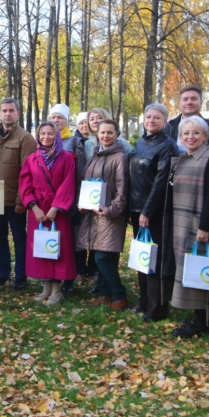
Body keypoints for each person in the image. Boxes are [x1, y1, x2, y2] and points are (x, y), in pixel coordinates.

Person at [164, 116, 209, 338]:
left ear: (205, 136)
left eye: (196, 133)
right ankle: (199, 317)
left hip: (200, 223)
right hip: (182, 223)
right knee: (188, 269)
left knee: (201, 270)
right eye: (186, 133)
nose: (190, 137)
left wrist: (204, 226)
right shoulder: (183, 158)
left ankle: (204, 319)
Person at [128, 103, 179, 322]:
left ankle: (157, 308)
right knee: (142, 258)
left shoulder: (167, 146)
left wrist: (147, 212)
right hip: (136, 208)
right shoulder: (141, 142)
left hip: (154, 213)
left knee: (155, 261)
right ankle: (144, 302)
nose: (151, 120)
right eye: (148, 117)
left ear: (165, 121)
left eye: (156, 117)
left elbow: (161, 183)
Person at [0, 97, 36, 290]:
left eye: (11, 110)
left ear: (18, 114)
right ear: (0, 113)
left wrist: (22, 200)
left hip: (15, 201)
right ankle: (3, 273)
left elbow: (27, 172)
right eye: (4, 111)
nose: (7, 114)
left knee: (20, 238)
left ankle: (21, 276)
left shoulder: (25, 138)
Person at [20, 122, 77, 305]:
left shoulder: (66, 158)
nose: (46, 137)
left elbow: (68, 183)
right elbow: (25, 185)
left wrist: (56, 207)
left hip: (58, 211)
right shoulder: (32, 159)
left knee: (58, 249)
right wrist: (34, 207)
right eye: (43, 133)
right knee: (42, 249)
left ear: (57, 135)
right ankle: (45, 288)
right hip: (38, 211)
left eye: (50, 133)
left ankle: (57, 290)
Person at [77, 119, 130, 310]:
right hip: (93, 214)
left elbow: (122, 191)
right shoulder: (95, 155)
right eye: (102, 132)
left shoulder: (119, 157)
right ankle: (105, 293)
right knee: (98, 254)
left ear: (117, 134)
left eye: (110, 132)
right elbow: (88, 183)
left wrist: (110, 210)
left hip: (109, 216)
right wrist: (83, 204)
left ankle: (119, 295)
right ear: (97, 134)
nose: (106, 136)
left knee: (102, 257)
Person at [48, 104, 88, 290]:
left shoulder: (73, 142)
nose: (56, 121)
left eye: (60, 118)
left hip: (69, 199)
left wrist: (76, 199)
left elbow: (79, 173)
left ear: (66, 122)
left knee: (71, 239)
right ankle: (52, 274)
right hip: (48, 201)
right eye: (53, 117)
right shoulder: (42, 142)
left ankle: (70, 278)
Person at [164, 85, 209, 153]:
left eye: (193, 99)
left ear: (201, 102)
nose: (189, 102)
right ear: (179, 103)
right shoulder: (169, 127)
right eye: (185, 99)